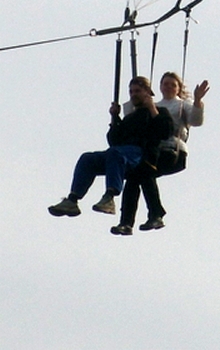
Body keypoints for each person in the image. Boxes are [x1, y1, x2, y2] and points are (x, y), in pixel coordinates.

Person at [48, 76, 172, 218]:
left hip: (141, 154)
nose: (133, 95)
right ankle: (73, 199)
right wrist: (115, 118)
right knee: (88, 158)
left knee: (115, 153)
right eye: (131, 92)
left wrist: (152, 108)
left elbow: (165, 131)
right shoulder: (129, 118)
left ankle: (110, 196)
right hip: (121, 154)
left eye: (137, 91)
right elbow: (114, 141)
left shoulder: (159, 112)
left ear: (147, 92)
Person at [110, 71, 209, 235]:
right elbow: (135, 124)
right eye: (165, 84)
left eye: (173, 84)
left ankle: (155, 214)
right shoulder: (152, 104)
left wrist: (198, 100)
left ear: (178, 88)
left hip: (172, 150)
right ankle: (127, 222)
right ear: (160, 87)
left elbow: (196, 121)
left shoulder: (182, 105)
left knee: (144, 170)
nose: (168, 87)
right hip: (153, 151)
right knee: (136, 177)